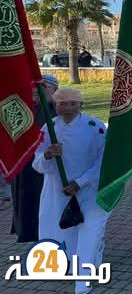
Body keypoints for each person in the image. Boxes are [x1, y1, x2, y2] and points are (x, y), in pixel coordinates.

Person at [32, 88, 109, 294]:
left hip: (88, 189)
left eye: (73, 104)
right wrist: (48, 155)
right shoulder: (48, 129)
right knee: (58, 228)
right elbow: (36, 164)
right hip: (56, 190)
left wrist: (79, 183)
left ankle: (84, 275)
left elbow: (103, 161)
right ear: (55, 105)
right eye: (62, 104)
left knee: (87, 229)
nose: (68, 108)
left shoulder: (95, 127)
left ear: (81, 105)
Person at [10, 74, 58, 242]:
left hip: (48, 166)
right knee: (26, 204)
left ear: (54, 90)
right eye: (34, 87)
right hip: (25, 166)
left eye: (43, 87)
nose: (37, 90)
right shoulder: (25, 109)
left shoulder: (59, 109)